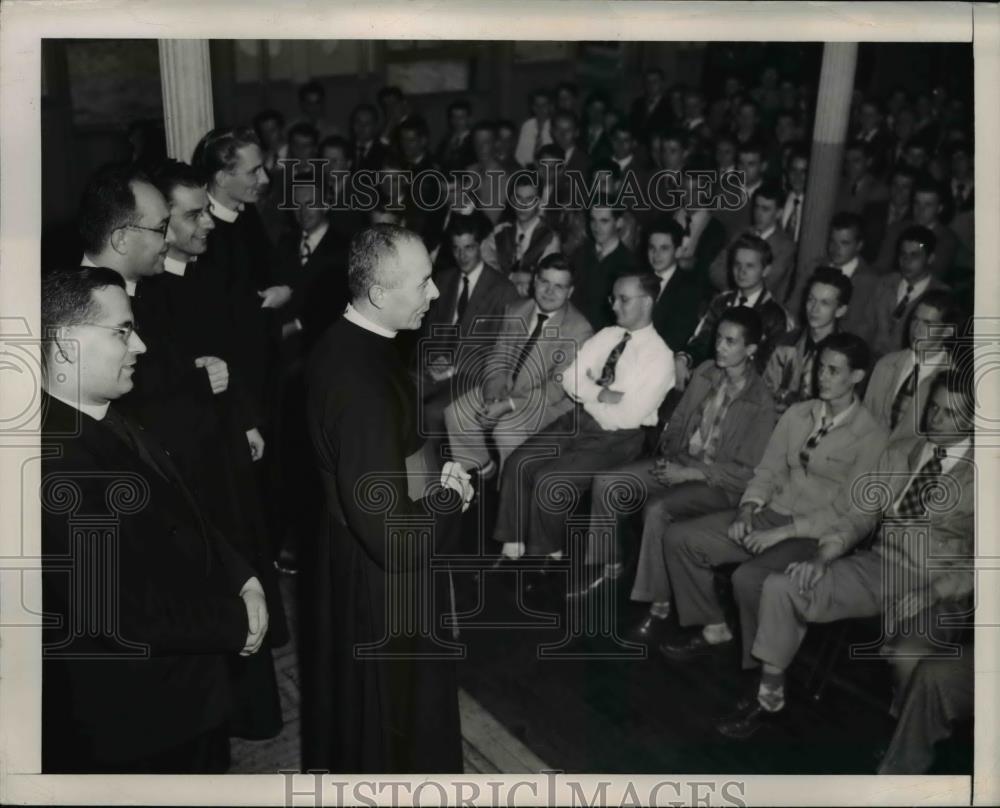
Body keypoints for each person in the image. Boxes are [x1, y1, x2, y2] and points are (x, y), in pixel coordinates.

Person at [41, 267, 269, 773]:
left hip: (187, 692)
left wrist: (243, 575)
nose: (140, 345)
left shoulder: (107, 411)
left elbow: (184, 512)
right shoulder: (55, 464)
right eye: (122, 331)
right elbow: (120, 614)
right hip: (145, 724)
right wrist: (240, 621)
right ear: (64, 347)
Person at [720, 370, 974, 739]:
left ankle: (906, 730)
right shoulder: (904, 453)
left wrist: (933, 593)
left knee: (910, 658)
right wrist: (823, 557)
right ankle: (769, 695)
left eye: (948, 414)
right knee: (784, 586)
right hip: (882, 565)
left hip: (940, 583)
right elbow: (860, 514)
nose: (934, 419)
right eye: (932, 408)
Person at [302, 224, 473, 773]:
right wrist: (451, 496)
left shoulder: (351, 342)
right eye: (423, 282)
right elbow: (394, 538)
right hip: (383, 586)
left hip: (361, 557)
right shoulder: (359, 384)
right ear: (379, 294)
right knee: (393, 720)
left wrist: (429, 461)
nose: (436, 293)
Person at [659, 334, 888, 669]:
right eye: (820, 368)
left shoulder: (872, 435)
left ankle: (763, 674)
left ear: (857, 376)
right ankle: (714, 626)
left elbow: (850, 511)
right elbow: (767, 470)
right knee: (680, 539)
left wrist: (783, 534)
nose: (821, 376)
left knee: (749, 579)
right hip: (770, 513)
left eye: (834, 371)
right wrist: (748, 509)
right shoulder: (798, 414)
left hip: (815, 533)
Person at [577, 307, 776, 609]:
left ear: (750, 349)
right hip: (682, 462)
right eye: (718, 338)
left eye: (730, 342)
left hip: (718, 484)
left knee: (658, 509)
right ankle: (608, 565)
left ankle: (659, 600)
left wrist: (688, 474)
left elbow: (746, 472)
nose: (719, 346)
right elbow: (679, 421)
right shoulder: (706, 371)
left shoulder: (760, 401)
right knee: (607, 482)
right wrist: (670, 455)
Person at [491, 270, 674, 570]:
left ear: (647, 302)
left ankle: (547, 555)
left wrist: (589, 389)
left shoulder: (660, 356)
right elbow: (569, 379)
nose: (614, 306)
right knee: (518, 463)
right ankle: (513, 548)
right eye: (613, 298)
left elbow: (630, 414)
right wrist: (602, 394)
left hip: (617, 439)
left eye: (623, 299)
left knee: (550, 480)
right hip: (578, 419)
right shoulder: (607, 335)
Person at [443, 254, 593, 476]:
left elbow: (556, 389)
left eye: (559, 286)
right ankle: (482, 471)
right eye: (544, 282)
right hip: (507, 388)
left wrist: (508, 405)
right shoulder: (516, 309)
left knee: (506, 430)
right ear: (534, 281)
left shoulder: (579, 329)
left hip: (550, 404)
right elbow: (498, 358)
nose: (549, 291)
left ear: (570, 292)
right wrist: (492, 397)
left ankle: (508, 497)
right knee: (456, 413)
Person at [676, 233, 791, 388]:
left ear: (765, 270)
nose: (741, 271)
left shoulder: (774, 315)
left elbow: (768, 368)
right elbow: (701, 341)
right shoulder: (721, 302)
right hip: (709, 380)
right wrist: (684, 358)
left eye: (750, 266)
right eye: (737, 264)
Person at [864, 289, 959, 440]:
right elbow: (865, 418)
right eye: (915, 320)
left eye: (928, 324)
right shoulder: (886, 364)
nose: (917, 330)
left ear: (947, 331)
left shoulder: (953, 380)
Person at [852, 224, 950, 359]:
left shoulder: (939, 294)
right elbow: (865, 327)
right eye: (903, 254)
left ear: (930, 258)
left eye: (914, 256)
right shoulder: (884, 283)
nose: (906, 261)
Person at [763, 267, 851, 412]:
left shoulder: (846, 355)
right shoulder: (786, 343)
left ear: (840, 310)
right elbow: (765, 394)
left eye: (824, 303)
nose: (814, 309)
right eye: (811, 299)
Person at [708, 181, 796, 302]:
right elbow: (715, 269)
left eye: (765, 209)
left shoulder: (785, 246)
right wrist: (733, 292)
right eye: (756, 207)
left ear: (779, 213)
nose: (759, 214)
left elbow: (768, 283)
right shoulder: (741, 234)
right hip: (729, 300)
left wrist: (734, 287)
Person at [569, 197, 637, 331]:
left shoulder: (629, 263)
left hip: (602, 335)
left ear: (619, 223)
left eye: (604, 221)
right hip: (571, 327)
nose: (596, 227)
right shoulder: (580, 253)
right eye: (593, 220)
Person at [481, 171, 561, 275]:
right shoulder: (500, 232)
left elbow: (544, 277)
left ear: (539, 201)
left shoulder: (550, 238)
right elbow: (484, 264)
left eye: (529, 199)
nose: (522, 205)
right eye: (518, 198)